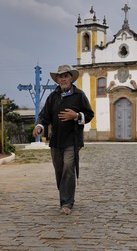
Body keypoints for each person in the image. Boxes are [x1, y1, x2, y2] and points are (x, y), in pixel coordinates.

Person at [33, 65, 94, 215]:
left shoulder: (79, 95)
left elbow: (89, 114)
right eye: (60, 77)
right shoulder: (52, 96)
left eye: (65, 76)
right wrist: (40, 126)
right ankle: (65, 194)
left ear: (71, 78)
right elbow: (44, 116)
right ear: (58, 80)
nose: (63, 79)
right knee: (59, 170)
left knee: (68, 167)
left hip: (72, 140)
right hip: (56, 140)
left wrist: (77, 116)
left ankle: (67, 202)